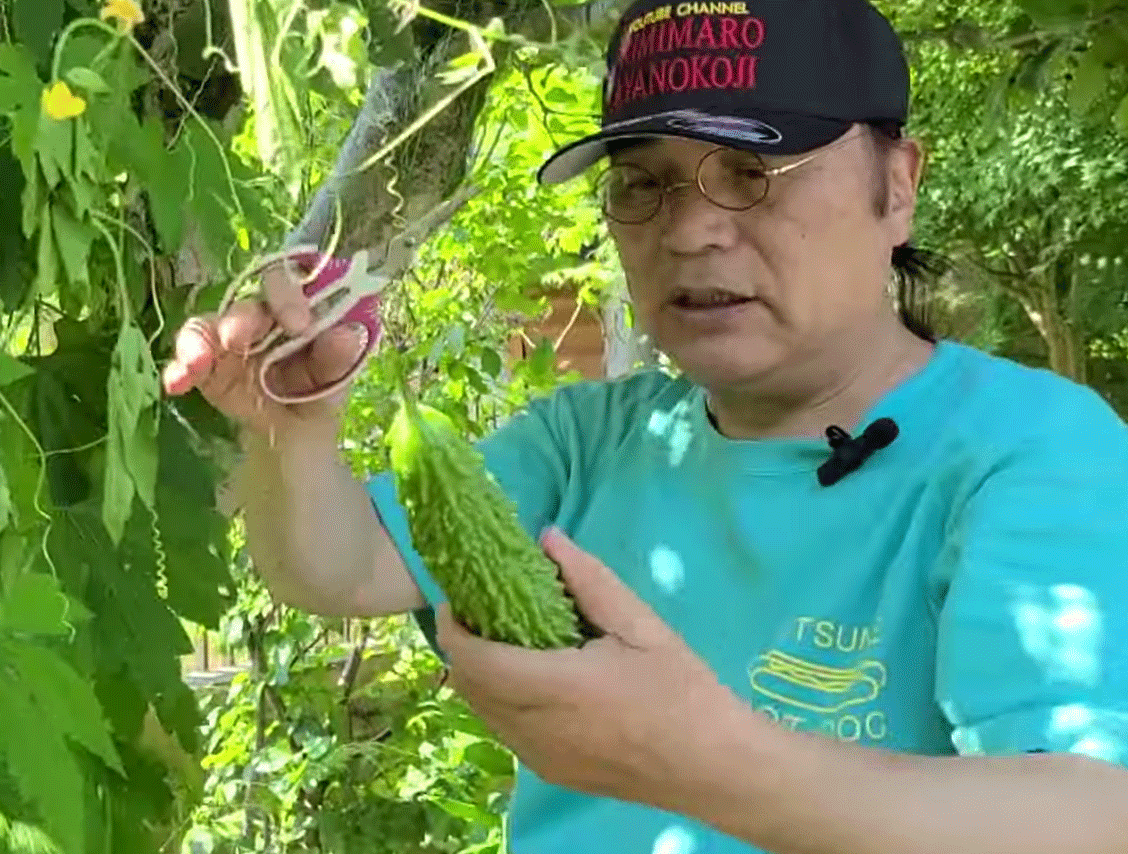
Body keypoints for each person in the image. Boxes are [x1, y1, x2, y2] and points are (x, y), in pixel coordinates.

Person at [163, 0, 1128, 850]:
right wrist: (296, 429)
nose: (689, 229)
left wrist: (701, 765)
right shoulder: (590, 441)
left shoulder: (1031, 450)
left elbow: (1093, 817)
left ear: (899, 184)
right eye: (643, 181)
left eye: (754, 169)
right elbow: (334, 570)